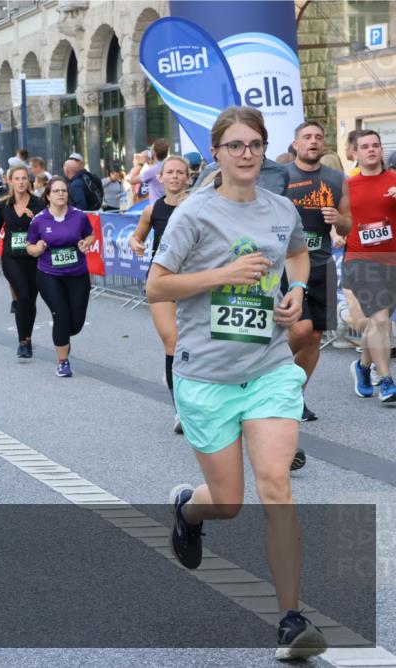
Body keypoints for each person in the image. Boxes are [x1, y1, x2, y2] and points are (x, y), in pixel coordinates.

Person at [146, 106, 322, 661]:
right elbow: (157, 288)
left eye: (255, 145)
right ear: (216, 153)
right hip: (206, 376)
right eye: (235, 145)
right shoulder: (194, 215)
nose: (246, 154)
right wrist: (222, 275)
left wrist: (297, 291)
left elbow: (296, 252)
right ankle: (187, 509)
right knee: (228, 501)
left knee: (277, 484)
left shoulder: (280, 209)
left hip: (268, 367)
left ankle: (291, 621)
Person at [285, 121, 352, 421]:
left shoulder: (337, 179)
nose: (313, 141)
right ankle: (266, 374)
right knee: (299, 329)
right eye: (306, 137)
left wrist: (338, 217)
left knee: (314, 337)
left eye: (318, 137)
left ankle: (294, 396)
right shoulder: (281, 177)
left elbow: (348, 225)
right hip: (288, 268)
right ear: (296, 144)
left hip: (323, 266)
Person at [129, 156, 192, 432]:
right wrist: (135, 243)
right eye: (170, 172)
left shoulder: (197, 208)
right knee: (174, 343)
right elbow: (137, 237)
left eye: (181, 173)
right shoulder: (152, 209)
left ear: (188, 178)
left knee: (199, 345)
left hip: (194, 281)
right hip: (162, 280)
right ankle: (181, 410)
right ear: (161, 178)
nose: (175, 177)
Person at [25, 177, 94, 376]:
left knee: (76, 323)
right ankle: (63, 361)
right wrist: (36, 249)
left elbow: (90, 235)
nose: (61, 194)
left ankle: (63, 336)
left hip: (78, 274)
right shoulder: (39, 220)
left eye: (64, 190)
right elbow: (29, 246)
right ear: (48, 196)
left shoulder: (79, 216)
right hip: (49, 275)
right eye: (56, 191)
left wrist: (86, 243)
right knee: (61, 315)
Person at [346, 129, 396, 403]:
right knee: (378, 319)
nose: (371, 150)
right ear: (354, 152)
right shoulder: (346, 186)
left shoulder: (395, 180)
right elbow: (337, 222)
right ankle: (386, 380)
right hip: (361, 260)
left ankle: (363, 366)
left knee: (382, 323)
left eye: (375, 145)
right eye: (364, 146)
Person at [0, 165, 46, 359]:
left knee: (31, 299)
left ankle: (28, 338)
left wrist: (35, 219)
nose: (21, 182)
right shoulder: (3, 205)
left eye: (24, 178)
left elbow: (47, 227)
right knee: (23, 296)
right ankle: (22, 342)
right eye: (17, 178)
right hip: (11, 257)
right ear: (10, 181)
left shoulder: (39, 204)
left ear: (28, 181)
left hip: (34, 257)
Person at [130, 140, 170, 205]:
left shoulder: (153, 171)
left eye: (150, 149)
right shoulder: (169, 165)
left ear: (153, 153)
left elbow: (132, 180)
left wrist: (141, 162)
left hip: (156, 207)